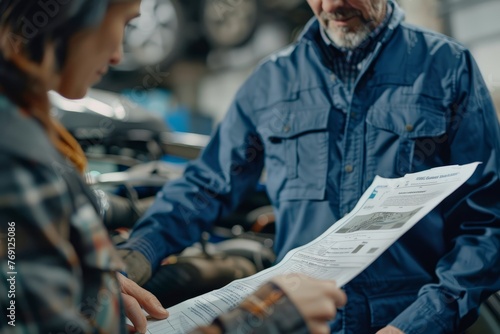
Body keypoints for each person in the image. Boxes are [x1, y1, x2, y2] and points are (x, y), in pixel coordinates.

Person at [117, 0, 500, 333]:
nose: (331, 5)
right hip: (299, 321)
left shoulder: (447, 68)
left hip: (405, 316)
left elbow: (486, 223)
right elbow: (206, 187)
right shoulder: (271, 82)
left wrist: (422, 322)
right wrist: (137, 254)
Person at [0, 0, 347, 333]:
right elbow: (211, 184)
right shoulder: (21, 161)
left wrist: (92, 280)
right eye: (124, 21)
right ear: (74, 13)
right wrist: (262, 321)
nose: (120, 53)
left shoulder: (27, 138)